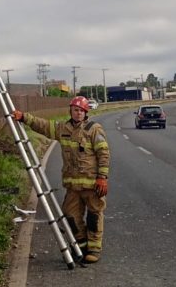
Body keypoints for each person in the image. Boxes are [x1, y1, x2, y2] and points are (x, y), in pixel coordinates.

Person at [12, 95, 109, 263]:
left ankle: (94, 249)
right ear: (70, 111)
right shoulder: (63, 129)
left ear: (86, 113)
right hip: (73, 186)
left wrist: (102, 178)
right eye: (76, 110)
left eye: (81, 111)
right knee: (70, 216)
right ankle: (81, 245)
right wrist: (24, 118)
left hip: (92, 185)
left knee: (94, 216)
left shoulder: (94, 129)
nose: (78, 113)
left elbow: (104, 154)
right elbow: (43, 126)